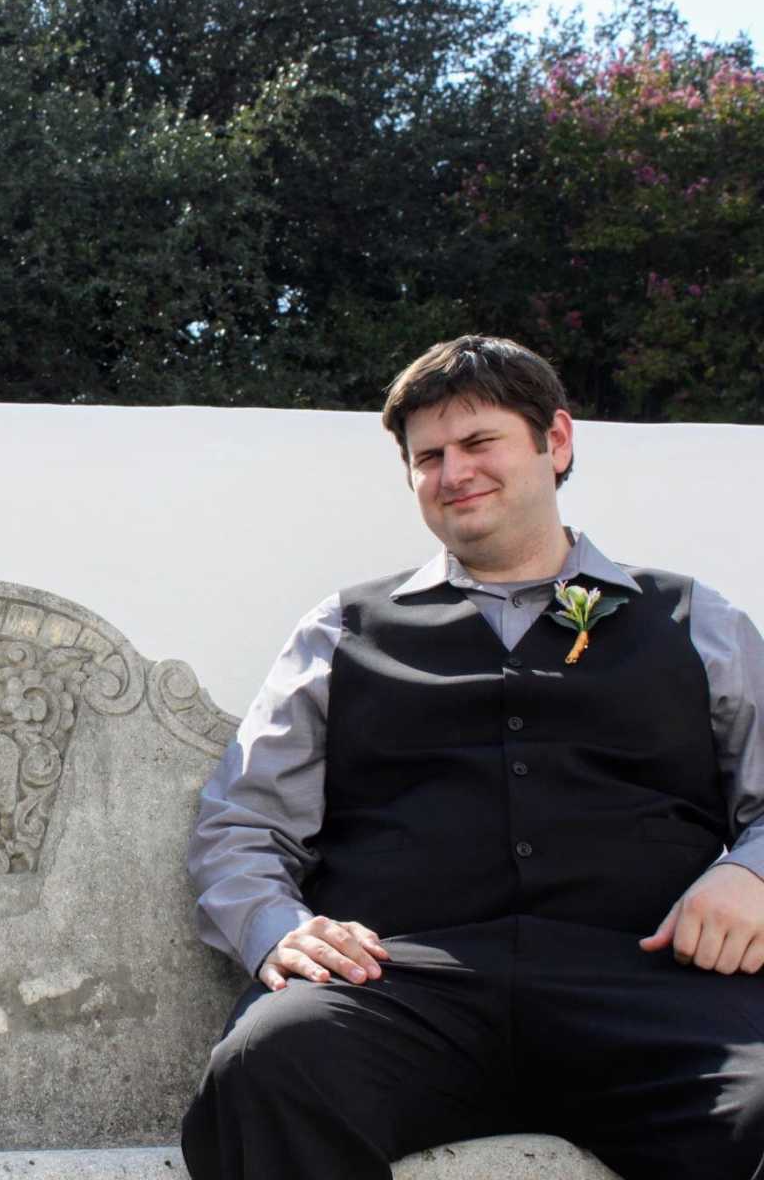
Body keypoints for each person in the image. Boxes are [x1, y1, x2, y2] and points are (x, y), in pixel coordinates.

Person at [180, 335, 764, 1179]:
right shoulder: (342, 631)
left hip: (652, 991)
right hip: (405, 988)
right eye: (428, 458)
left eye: (479, 442)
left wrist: (753, 874)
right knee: (266, 1067)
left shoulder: (692, 619)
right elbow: (241, 819)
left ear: (555, 441)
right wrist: (279, 932)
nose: (453, 473)